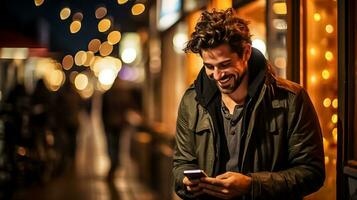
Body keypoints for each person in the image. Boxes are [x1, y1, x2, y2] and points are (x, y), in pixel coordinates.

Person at [173, 8, 325, 200]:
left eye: (225, 64)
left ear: (245, 53)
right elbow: (181, 164)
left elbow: (312, 172)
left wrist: (252, 185)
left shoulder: (291, 99)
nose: (217, 76)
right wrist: (187, 183)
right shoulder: (191, 101)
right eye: (209, 66)